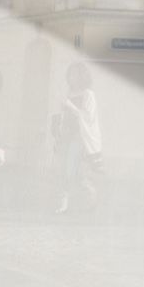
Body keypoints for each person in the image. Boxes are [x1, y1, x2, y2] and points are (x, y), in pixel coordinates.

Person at [53, 61, 102, 213]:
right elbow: (64, 115)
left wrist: (70, 106)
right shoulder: (69, 94)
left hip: (79, 137)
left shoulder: (88, 95)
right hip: (66, 135)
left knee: (71, 170)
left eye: (74, 74)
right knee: (63, 170)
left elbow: (88, 117)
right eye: (70, 74)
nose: (71, 77)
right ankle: (66, 204)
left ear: (81, 76)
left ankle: (90, 197)